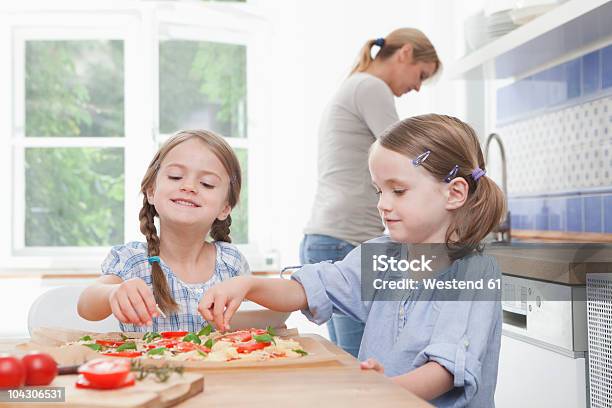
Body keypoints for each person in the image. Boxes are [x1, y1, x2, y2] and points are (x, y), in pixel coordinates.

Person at [199, 114, 506, 406]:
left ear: (454, 193)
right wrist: (249, 284)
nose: (383, 205)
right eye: (379, 191)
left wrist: (381, 390)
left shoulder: (475, 273)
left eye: (398, 191)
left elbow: (445, 371)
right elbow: (308, 289)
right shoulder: (382, 256)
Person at [302, 28, 441, 357]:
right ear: (405, 53)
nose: (418, 87)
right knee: (366, 364)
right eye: (421, 75)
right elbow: (408, 156)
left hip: (326, 234)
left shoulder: (355, 85)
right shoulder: (371, 87)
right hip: (345, 239)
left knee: (350, 362)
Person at [77, 130, 249, 333]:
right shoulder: (132, 260)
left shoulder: (231, 262)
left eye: (207, 184)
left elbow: (280, 302)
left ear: (225, 208)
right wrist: (113, 293)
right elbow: (86, 305)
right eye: (175, 176)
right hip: (151, 365)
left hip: (217, 364)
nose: (189, 186)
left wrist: (256, 291)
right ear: (151, 191)